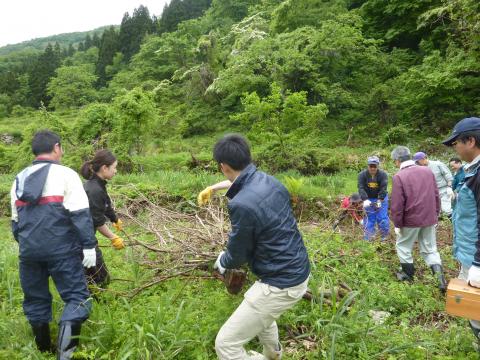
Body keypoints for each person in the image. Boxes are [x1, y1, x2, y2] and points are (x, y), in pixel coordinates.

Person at [202, 134, 310, 360]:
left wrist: (222, 261)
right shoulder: (269, 181)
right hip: (297, 269)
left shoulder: (240, 205)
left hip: (280, 282)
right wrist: (213, 188)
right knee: (263, 316)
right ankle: (274, 355)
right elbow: (239, 181)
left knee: (226, 345)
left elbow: (238, 253)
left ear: (223, 166)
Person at [10, 130, 96, 359]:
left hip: (29, 252)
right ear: (57, 147)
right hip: (62, 250)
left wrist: (31, 247)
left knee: (36, 299)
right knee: (78, 298)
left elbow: (15, 224)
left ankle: (44, 350)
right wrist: (88, 246)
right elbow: (80, 214)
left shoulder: (19, 178)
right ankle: (64, 355)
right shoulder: (66, 175)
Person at [442, 116, 480, 344]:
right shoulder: (471, 171)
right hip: (470, 253)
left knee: (476, 312)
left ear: (471, 141)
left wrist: (477, 263)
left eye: (456, 142)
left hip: (476, 257)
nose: (454, 147)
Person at [390, 146, 446, 292]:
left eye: (394, 161)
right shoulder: (427, 171)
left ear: (397, 161)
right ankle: (440, 280)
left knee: (403, 246)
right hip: (429, 217)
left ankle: (407, 275)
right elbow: (436, 195)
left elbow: (397, 204)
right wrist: (435, 213)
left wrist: (397, 223)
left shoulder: (399, 176)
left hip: (410, 219)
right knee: (430, 249)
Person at [80, 149, 125, 288]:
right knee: (100, 277)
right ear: (105, 168)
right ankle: (100, 301)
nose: (115, 171)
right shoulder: (94, 190)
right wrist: (113, 237)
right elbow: (97, 220)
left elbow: (105, 204)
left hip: (83, 236)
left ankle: (90, 295)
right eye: (114, 167)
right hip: (81, 238)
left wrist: (114, 218)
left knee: (89, 275)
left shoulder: (98, 184)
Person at [357, 156, 389, 241]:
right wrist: (365, 199)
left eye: (374, 166)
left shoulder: (383, 175)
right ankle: (369, 237)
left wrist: (380, 200)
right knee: (369, 218)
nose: (372, 168)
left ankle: (384, 238)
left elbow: (383, 188)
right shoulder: (362, 175)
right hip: (368, 198)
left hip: (381, 198)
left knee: (382, 218)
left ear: (378, 166)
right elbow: (361, 188)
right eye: (371, 166)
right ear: (368, 166)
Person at [413, 152, 454, 218]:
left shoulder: (437, 164)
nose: (417, 163)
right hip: (431, 192)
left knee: (446, 210)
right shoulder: (420, 169)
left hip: (443, 189)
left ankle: (456, 225)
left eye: (417, 161)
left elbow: (448, 176)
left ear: (423, 159)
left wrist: (449, 187)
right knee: (436, 212)